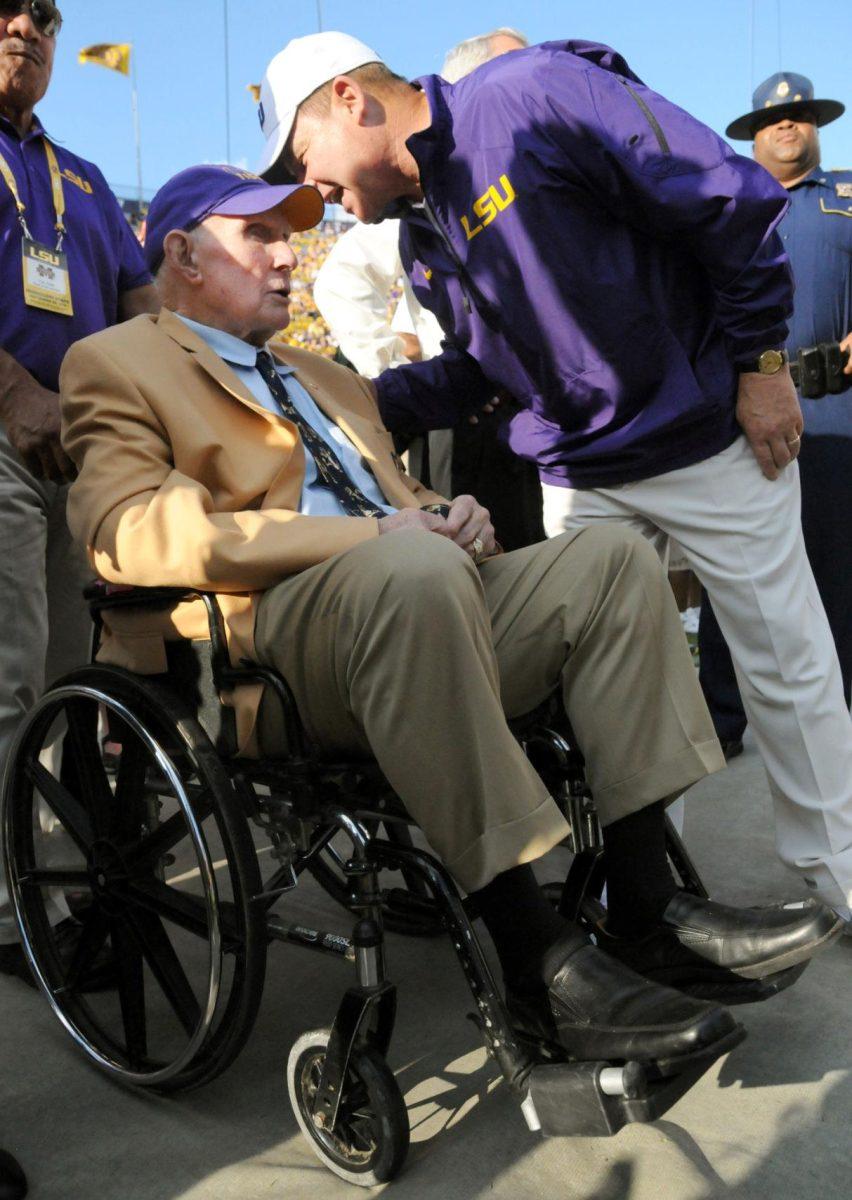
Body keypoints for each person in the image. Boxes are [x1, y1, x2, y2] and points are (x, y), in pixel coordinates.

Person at [59, 164, 840, 1078]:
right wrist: (367, 537)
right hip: (267, 641)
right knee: (413, 568)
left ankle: (645, 902)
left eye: (293, 235)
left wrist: (450, 511)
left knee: (614, 560)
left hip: (417, 596)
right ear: (183, 255)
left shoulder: (327, 379)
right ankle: (532, 955)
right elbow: (126, 532)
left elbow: (397, 499)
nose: (288, 258)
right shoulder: (116, 360)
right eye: (260, 237)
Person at [255, 32, 852, 925]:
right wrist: (354, 406)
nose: (319, 194)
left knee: (786, 664)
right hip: (580, 465)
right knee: (606, 684)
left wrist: (763, 362)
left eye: (307, 161)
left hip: (699, 434)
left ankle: (838, 874)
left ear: (351, 98)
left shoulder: (529, 92)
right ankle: (650, 900)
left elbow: (724, 199)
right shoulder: (420, 232)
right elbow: (491, 367)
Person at [0, 0, 158, 995]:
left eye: (46, 15)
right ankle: (14, 902)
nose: (26, 25)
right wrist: (16, 394)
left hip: (77, 452)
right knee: (10, 679)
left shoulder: (86, 180)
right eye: (7, 7)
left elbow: (144, 308)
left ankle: (56, 880)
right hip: (6, 436)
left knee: (63, 691)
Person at [313, 26, 543, 550]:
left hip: (533, 410)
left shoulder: (525, 160)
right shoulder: (416, 203)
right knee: (474, 550)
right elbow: (339, 278)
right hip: (466, 415)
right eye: (502, 71)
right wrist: (388, 362)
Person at [699, 73, 852, 757]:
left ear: (816, 127)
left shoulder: (848, 198)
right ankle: (718, 720)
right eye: (773, 118)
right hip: (741, 413)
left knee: (838, 568)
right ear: (753, 134)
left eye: (799, 116)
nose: (786, 126)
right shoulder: (721, 205)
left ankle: (839, 716)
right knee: (735, 571)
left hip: (836, 410)